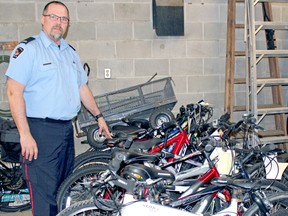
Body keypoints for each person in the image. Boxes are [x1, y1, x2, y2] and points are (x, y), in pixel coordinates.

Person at [5, 1, 111, 215]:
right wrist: (25, 134)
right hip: (39, 132)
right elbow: (13, 92)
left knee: (63, 191)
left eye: (64, 19)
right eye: (54, 17)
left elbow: (83, 88)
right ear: (43, 19)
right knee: (44, 197)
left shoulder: (70, 53)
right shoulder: (29, 49)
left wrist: (99, 116)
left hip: (65, 132)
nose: (59, 23)